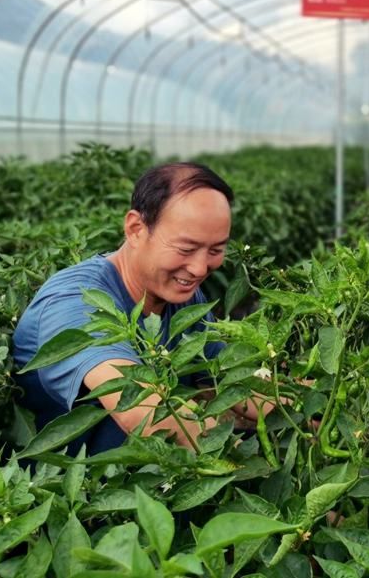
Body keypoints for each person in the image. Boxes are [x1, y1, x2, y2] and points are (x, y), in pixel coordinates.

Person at [13, 161, 267, 455]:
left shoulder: (180, 296)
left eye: (216, 250)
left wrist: (303, 404)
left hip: (146, 470)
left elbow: (235, 381)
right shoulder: (75, 301)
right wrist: (241, 463)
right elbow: (140, 410)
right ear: (135, 229)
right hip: (69, 481)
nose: (199, 268)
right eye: (185, 249)